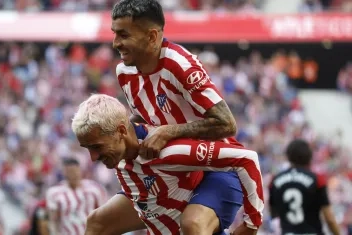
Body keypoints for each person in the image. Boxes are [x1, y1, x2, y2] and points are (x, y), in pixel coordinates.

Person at [109, 0, 259, 234]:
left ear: (151, 36)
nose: (115, 42)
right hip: (170, 171)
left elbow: (227, 124)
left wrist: (169, 131)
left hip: (214, 169)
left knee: (192, 226)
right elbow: (147, 116)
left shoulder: (180, 65)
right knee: (98, 223)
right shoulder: (124, 72)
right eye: (115, 33)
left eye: (123, 35)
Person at [72, 94, 264, 235]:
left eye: (96, 147)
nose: (92, 157)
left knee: (192, 225)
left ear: (121, 131)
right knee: (97, 224)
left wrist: (251, 224)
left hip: (222, 176)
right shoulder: (121, 150)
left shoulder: (166, 151)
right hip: (167, 194)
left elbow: (246, 158)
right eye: (87, 148)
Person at [269, 139, 340, 235]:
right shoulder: (317, 180)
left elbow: (274, 214)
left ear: (288, 156)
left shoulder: (275, 180)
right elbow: (329, 218)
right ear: (309, 157)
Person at [46, 158, 108, 235]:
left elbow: (104, 214)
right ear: (64, 172)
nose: (73, 175)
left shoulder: (95, 188)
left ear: (80, 170)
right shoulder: (55, 193)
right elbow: (53, 220)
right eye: (69, 172)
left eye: (74, 171)